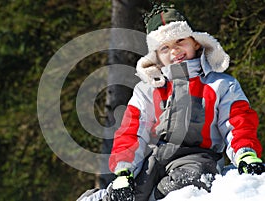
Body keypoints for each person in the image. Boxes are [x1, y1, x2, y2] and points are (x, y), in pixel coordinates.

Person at [77, 4, 265, 201]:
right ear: (156, 56)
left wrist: (245, 154)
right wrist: (124, 172)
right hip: (156, 157)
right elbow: (132, 131)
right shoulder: (148, 90)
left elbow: (237, 121)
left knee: (188, 182)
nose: (174, 51)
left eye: (180, 41)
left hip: (199, 156)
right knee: (129, 193)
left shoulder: (220, 84)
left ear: (196, 43)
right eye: (165, 47)